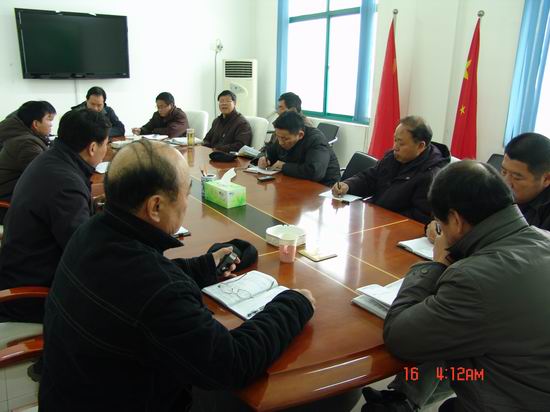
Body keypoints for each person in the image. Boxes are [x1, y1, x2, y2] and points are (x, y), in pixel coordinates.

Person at [38, 139, 315, 411]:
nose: (186, 203)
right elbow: (232, 363)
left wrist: (205, 266)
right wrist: (294, 304)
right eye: (186, 193)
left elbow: (132, 285)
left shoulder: (91, 231)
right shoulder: (159, 290)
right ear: (156, 207)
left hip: (69, 394)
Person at [373, 161, 550, 411]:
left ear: (455, 220)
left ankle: (402, 399)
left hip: (510, 395)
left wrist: (437, 263)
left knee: (443, 354)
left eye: (441, 225)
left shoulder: (474, 279)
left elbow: (400, 338)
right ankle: (404, 398)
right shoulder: (543, 238)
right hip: (528, 377)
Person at [0, 109, 110, 322]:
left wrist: (94, 205)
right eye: (105, 144)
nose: (105, 151)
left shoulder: (53, 160)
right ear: (92, 147)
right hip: (34, 298)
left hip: (22, 271)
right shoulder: (65, 182)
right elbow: (84, 253)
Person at [426, 132, 550, 241]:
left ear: (546, 179)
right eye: (504, 171)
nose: (506, 182)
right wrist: (442, 224)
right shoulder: (496, 188)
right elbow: (462, 211)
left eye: (517, 177)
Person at [332, 116, 449, 224]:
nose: (395, 147)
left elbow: (420, 217)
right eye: (395, 140)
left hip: (394, 228)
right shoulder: (393, 157)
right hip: (376, 220)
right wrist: (348, 185)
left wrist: (382, 217)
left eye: (401, 143)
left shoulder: (430, 175)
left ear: (420, 146)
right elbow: (370, 178)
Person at [0, 101, 56, 222]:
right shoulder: (26, 143)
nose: (52, 124)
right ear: (35, 124)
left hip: (18, 195)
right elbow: (46, 176)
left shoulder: (23, 136)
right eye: (49, 119)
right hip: (9, 205)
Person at [257, 111, 340, 186]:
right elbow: (270, 152)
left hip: (324, 187)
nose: (281, 142)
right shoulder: (282, 136)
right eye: (278, 137)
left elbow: (315, 172)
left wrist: (284, 166)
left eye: (285, 139)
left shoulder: (316, 140)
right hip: (296, 182)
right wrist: (264, 158)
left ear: (300, 135)